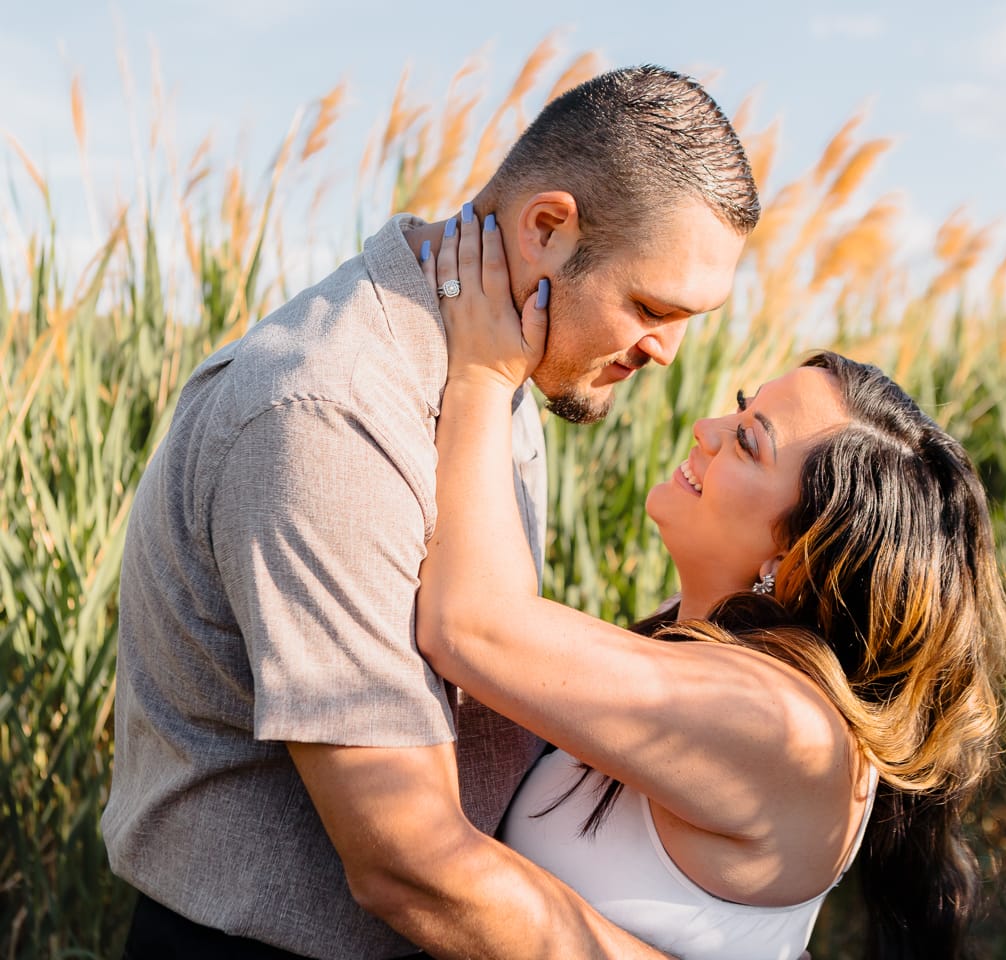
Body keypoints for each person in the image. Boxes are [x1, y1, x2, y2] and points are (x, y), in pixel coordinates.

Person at [102, 66, 758, 959]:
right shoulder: (328, 414)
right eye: (650, 306)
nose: (667, 353)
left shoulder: (495, 360)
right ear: (548, 227)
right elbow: (402, 857)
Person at [416, 217, 1006, 960]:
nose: (707, 427)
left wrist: (483, 374)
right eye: (741, 407)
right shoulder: (699, 645)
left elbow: (471, 624)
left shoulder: (779, 725)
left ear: (800, 558)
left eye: (747, 441)